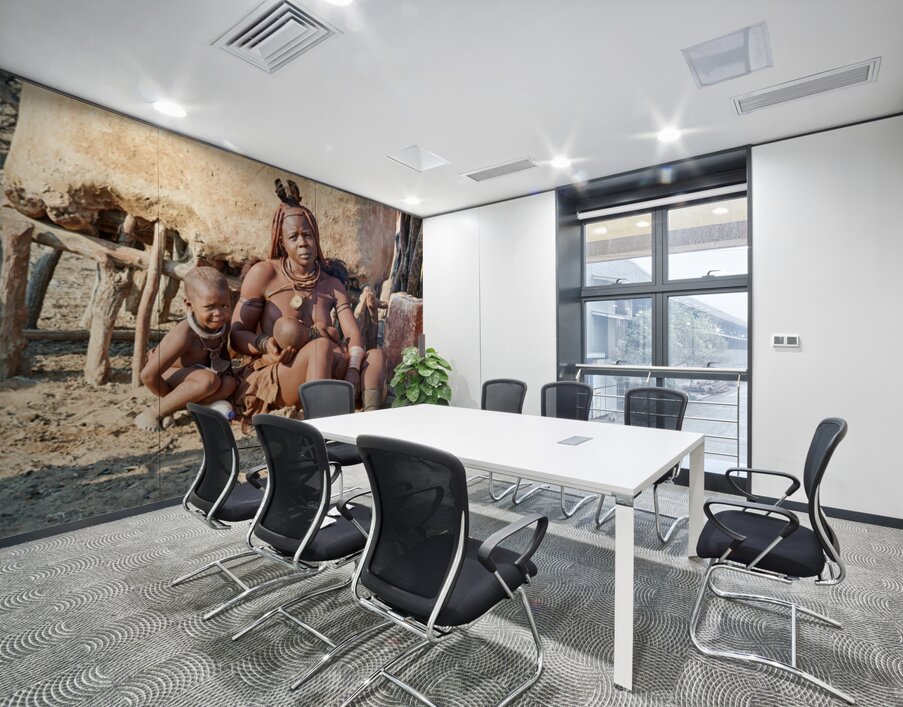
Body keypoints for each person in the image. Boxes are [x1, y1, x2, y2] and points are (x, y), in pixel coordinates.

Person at [231, 180, 386, 420]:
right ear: (282, 242)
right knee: (320, 347)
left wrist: (354, 369)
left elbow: (353, 334)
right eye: (294, 237)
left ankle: (370, 422)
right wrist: (265, 344)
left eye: (308, 235)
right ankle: (323, 429)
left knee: (374, 357)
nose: (303, 242)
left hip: (326, 366)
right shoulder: (264, 274)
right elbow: (236, 335)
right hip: (279, 372)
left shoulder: (331, 284)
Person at [135, 266, 236, 430]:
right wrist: (168, 401)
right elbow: (148, 375)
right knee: (208, 381)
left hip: (198, 376)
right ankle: (153, 412)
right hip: (167, 376)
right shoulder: (184, 334)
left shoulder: (223, 325)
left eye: (224, 306)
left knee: (229, 383)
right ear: (189, 305)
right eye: (210, 307)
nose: (218, 313)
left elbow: (222, 353)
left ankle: (195, 407)